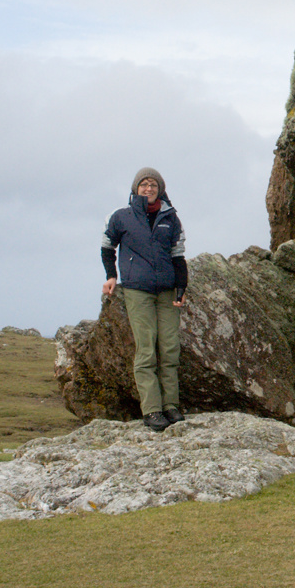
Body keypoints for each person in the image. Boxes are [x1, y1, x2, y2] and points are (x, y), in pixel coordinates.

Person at [101, 167, 188, 432]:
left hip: (166, 291)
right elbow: (107, 247)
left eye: (153, 185)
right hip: (137, 290)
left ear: (160, 189)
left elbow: (178, 255)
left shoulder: (170, 218)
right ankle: (151, 410)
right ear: (135, 189)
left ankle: (171, 405)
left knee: (170, 348)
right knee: (147, 349)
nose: (148, 189)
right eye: (144, 184)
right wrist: (111, 276)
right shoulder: (121, 217)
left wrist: (181, 288)